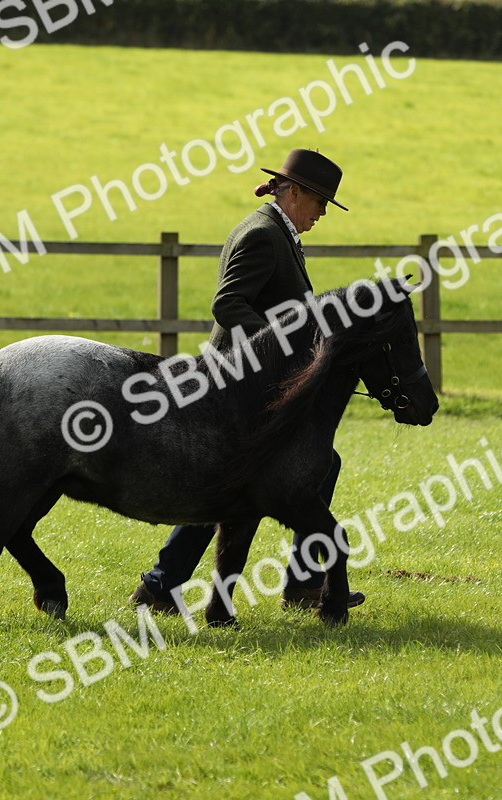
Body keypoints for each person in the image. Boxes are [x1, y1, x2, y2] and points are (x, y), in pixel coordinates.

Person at [129, 148, 365, 614]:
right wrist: (284, 348)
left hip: (248, 382)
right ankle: (171, 586)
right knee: (239, 483)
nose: (321, 215)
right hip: (237, 384)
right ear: (294, 192)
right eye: (319, 204)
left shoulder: (276, 230)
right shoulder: (262, 234)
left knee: (278, 475)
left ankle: (166, 586)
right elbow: (228, 306)